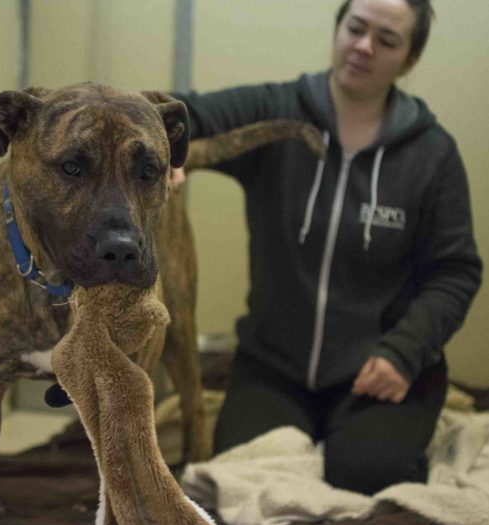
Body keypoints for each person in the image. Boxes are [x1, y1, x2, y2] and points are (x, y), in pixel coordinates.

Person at [171, 0, 482, 495]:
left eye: (387, 39)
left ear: (410, 58)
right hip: (274, 365)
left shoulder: (432, 153)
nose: (364, 47)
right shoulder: (275, 111)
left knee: (368, 475)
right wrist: (155, 149)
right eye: (355, 28)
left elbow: (456, 271)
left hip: (378, 369)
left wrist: (405, 352)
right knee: (241, 476)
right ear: (337, 28)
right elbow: (179, 113)